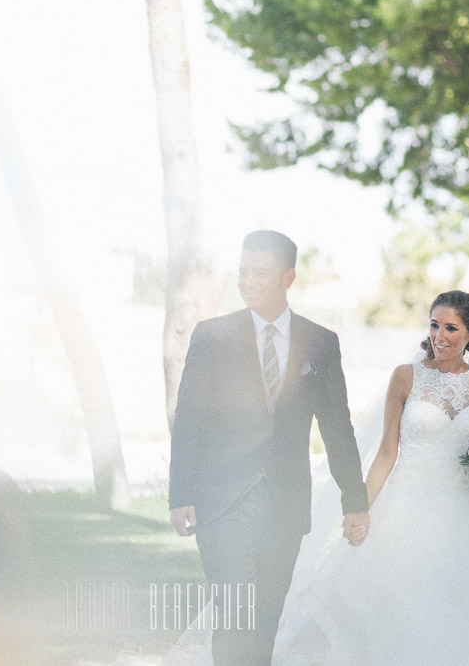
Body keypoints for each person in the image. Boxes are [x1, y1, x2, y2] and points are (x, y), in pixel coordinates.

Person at [269, 289, 469, 665]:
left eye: (451, 328)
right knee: (394, 618)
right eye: (434, 325)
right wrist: (360, 509)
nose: (439, 336)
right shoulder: (406, 377)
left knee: (461, 626)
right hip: (403, 512)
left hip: (462, 521)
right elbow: (387, 452)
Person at [168, 230, 372, 666]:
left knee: (265, 619)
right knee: (234, 616)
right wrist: (179, 494)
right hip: (222, 504)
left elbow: (338, 428)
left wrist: (355, 500)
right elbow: (187, 420)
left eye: (259, 273)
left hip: (285, 503)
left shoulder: (321, 342)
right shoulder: (212, 336)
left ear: (288, 278)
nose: (247, 282)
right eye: (242, 272)